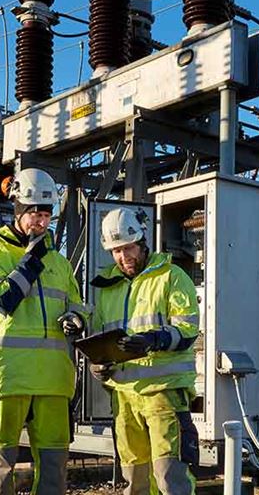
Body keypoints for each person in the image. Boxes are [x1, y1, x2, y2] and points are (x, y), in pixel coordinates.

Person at [0, 168, 87, 495]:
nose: (40, 221)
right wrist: (34, 257)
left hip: (53, 381)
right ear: (18, 210)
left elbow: (78, 305)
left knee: (53, 468)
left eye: (46, 214)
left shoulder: (60, 264)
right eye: (34, 213)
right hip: (6, 379)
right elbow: (5, 299)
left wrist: (77, 318)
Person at [88, 208, 201, 495]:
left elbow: (188, 330)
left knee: (170, 477)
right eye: (116, 251)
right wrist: (98, 364)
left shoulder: (171, 276)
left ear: (142, 242)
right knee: (134, 478)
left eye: (128, 248)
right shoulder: (108, 289)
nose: (123, 257)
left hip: (164, 392)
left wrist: (154, 339)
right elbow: (103, 341)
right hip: (125, 397)